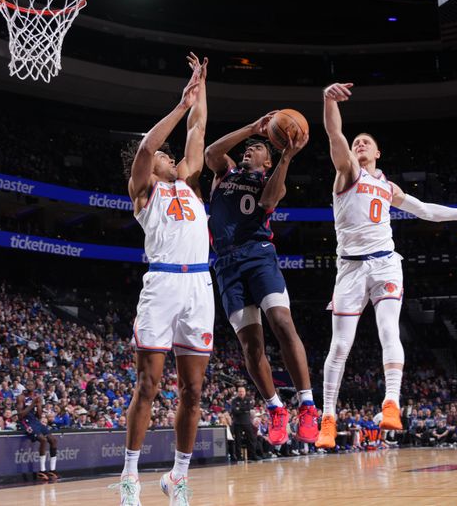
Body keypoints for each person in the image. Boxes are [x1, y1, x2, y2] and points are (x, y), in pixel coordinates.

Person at [317, 82, 457, 448]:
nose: (359, 144)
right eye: (357, 142)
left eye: (366, 142)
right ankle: (327, 418)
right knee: (341, 346)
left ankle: (392, 404)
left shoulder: (389, 187)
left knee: (389, 332)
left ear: (379, 152)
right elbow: (334, 132)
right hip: (350, 268)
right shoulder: (347, 172)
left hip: (385, 263)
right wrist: (328, 100)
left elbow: (425, 211)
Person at [113, 53, 210, 506]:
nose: (173, 158)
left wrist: (199, 88)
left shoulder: (187, 183)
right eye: (167, 158)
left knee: (193, 390)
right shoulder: (143, 189)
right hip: (163, 284)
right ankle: (130, 476)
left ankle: (178, 477)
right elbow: (150, 148)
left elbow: (198, 132)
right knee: (148, 383)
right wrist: (179, 104)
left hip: (199, 286)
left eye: (174, 157)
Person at [204, 109, 317, 447]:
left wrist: (286, 158)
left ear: (268, 160)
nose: (249, 149)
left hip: (257, 254)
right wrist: (252, 127)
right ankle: (276, 409)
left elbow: (269, 199)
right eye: (248, 147)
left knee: (282, 322)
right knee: (251, 347)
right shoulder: (226, 172)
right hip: (226, 264)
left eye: (257, 148)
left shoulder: (269, 179)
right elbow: (211, 153)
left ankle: (307, 405)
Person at [16, 380, 59, 481]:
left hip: (35, 421)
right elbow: (20, 415)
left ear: (35, 386)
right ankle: (42, 470)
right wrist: (32, 404)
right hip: (25, 422)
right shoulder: (21, 397)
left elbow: (39, 416)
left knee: (53, 440)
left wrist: (38, 405)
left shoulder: (36, 397)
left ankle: (52, 470)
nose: (29, 385)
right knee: (43, 440)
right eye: (27, 384)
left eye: (31, 384)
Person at [230, 386, 258, 461]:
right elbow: (234, 411)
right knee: (238, 441)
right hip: (237, 423)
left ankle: (252, 455)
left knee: (251, 439)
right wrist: (243, 410)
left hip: (247, 422)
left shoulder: (248, 399)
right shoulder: (234, 400)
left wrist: (239, 408)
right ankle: (239, 457)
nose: (241, 393)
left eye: (242, 391)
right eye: (240, 391)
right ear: (237, 392)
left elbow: (248, 408)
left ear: (245, 392)